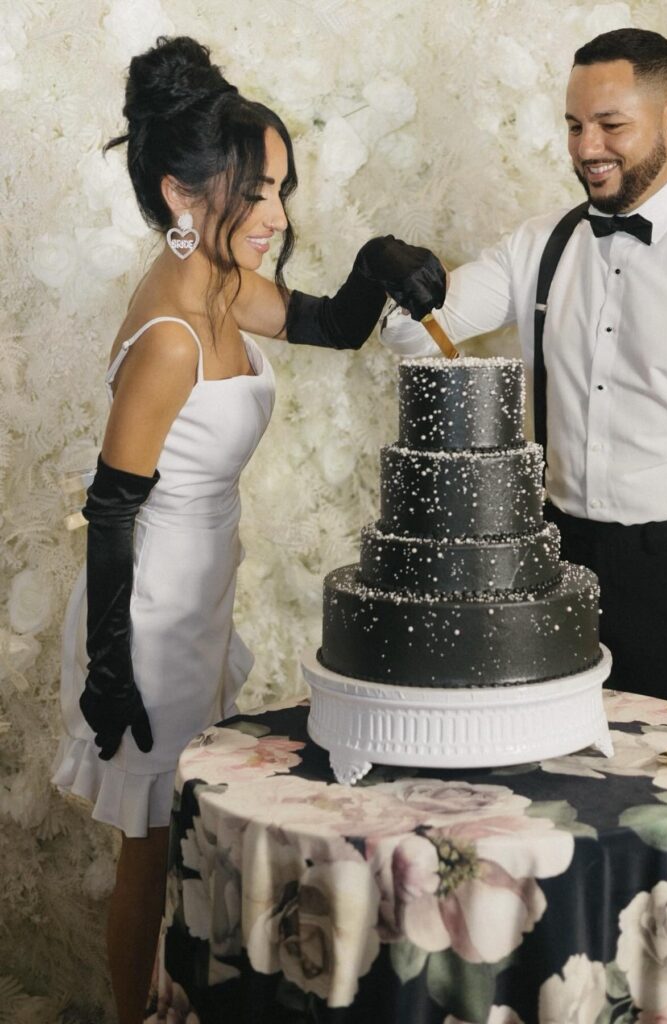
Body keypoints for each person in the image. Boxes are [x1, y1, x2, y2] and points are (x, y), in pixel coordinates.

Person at [50, 35, 445, 1024]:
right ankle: (130, 1013)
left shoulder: (221, 289)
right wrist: (109, 669)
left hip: (198, 598)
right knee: (149, 835)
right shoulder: (171, 339)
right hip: (142, 617)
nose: (277, 216)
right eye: (257, 192)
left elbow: (328, 323)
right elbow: (110, 508)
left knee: (184, 821)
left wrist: (375, 266)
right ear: (186, 197)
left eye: (282, 191)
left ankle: (175, 1000)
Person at [380, 28, 667, 735]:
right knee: (550, 794)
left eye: (611, 125)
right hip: (555, 567)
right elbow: (408, 334)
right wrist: (396, 272)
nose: (587, 148)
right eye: (574, 126)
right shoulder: (539, 245)